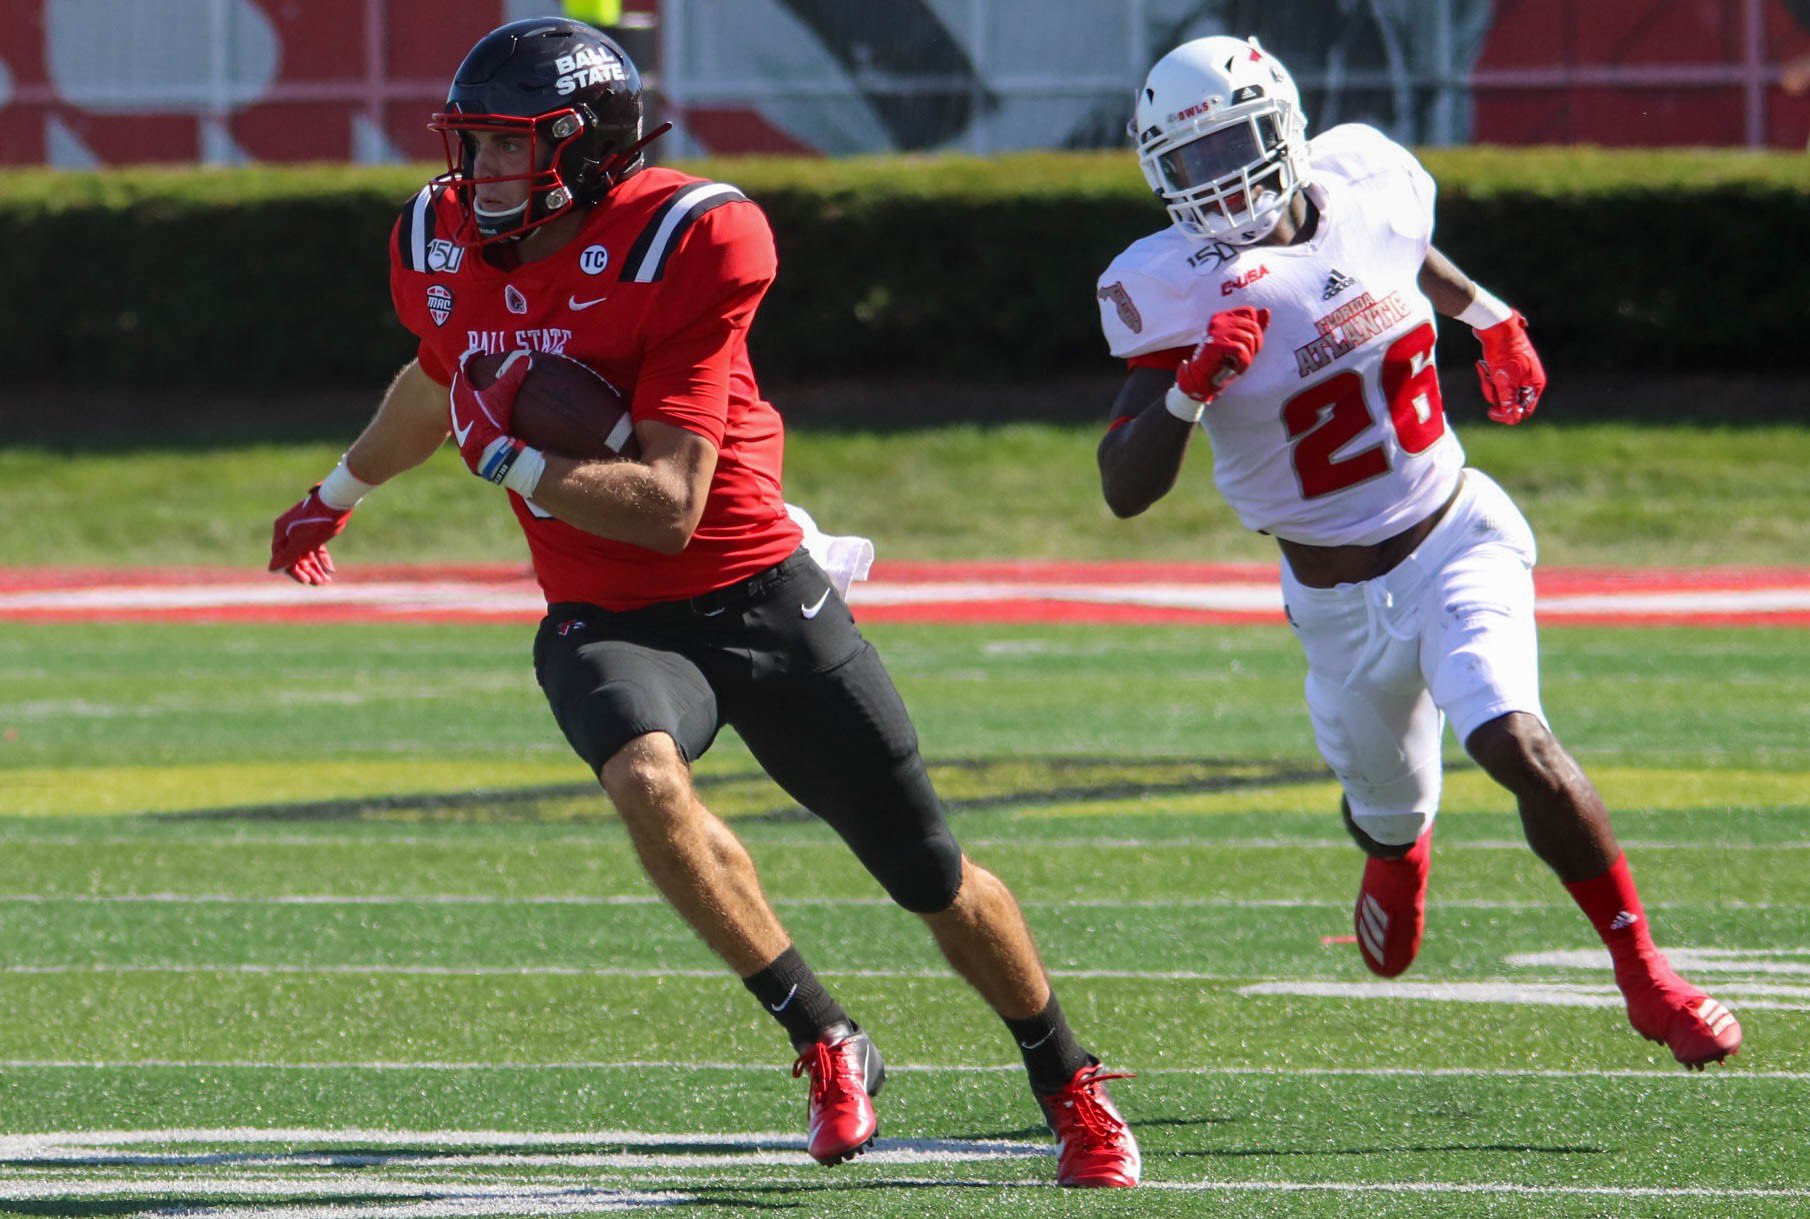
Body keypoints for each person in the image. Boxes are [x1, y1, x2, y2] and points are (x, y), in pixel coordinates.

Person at [267, 17, 1139, 1185]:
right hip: (605, 612)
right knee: (642, 774)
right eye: (471, 144)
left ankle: (1065, 1075)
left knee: (928, 872)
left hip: (754, 591)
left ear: (586, 151)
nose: (478, 174)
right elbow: (440, 373)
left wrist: (508, 461)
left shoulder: (692, 236)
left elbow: (670, 503)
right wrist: (337, 490)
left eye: (509, 148)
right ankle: (822, 1033)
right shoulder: (436, 235)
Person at [1094, 36, 1741, 1069]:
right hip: (1335, 603)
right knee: (1387, 817)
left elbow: (1401, 258)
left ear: (1287, 128)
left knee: (1512, 738)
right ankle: (1398, 850)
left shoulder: (1365, 180)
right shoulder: (1174, 289)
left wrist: (1490, 316)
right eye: (1193, 164)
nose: (1220, 183)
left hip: (1452, 536)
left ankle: (1645, 975)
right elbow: (1122, 488)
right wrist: (1189, 388)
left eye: (1236, 148)